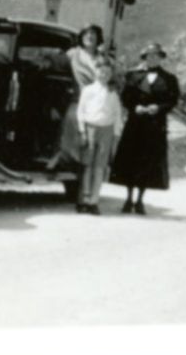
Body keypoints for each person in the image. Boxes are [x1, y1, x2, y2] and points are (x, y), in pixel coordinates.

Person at [110, 42, 179, 215]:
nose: (152, 58)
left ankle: (140, 200)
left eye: (156, 55)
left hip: (155, 126)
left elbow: (172, 100)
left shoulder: (170, 79)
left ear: (161, 58)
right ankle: (128, 198)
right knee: (131, 161)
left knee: (147, 163)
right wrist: (134, 107)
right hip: (135, 124)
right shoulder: (132, 76)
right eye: (149, 55)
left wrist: (159, 108)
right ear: (144, 57)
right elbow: (126, 96)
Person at [47, 24, 104, 170]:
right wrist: (45, 59)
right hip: (79, 98)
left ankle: (85, 167)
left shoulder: (103, 58)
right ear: (81, 37)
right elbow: (56, 62)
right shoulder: (74, 53)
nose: (90, 37)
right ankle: (60, 159)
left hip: (98, 101)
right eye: (86, 34)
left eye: (93, 34)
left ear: (98, 38)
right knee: (71, 121)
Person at [74, 56, 122, 215]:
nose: (104, 75)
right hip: (90, 129)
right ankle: (84, 199)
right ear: (95, 72)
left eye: (107, 72)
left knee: (99, 167)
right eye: (101, 71)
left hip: (106, 130)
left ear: (111, 74)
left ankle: (94, 200)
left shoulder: (113, 93)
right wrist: (82, 131)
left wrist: (115, 136)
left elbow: (117, 115)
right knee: (87, 165)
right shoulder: (88, 90)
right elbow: (81, 111)